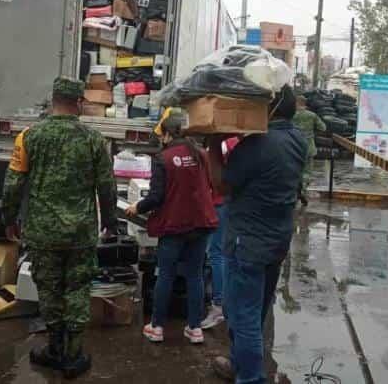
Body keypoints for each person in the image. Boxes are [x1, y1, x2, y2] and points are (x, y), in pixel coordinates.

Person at [3, 77, 117, 378]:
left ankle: (54, 350)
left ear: (53, 100)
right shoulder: (93, 139)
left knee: (50, 290)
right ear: (79, 103)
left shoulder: (29, 136)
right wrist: (110, 222)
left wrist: (9, 219)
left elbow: (13, 183)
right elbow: (107, 186)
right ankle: (74, 354)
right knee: (77, 289)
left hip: (43, 231)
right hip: (80, 232)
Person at [207, 84, 307, 383]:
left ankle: (250, 377)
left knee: (243, 316)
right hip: (277, 239)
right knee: (257, 309)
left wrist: (214, 144)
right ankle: (240, 363)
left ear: (272, 108)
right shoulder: (297, 140)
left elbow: (221, 185)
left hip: (248, 242)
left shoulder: (257, 146)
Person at [125, 113, 218, 344]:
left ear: (167, 134)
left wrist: (137, 207)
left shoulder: (163, 158)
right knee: (195, 275)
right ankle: (195, 329)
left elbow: (156, 197)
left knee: (165, 274)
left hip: (174, 224)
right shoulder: (202, 155)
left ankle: (157, 327)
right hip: (200, 224)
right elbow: (209, 185)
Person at [201, 136, 240, 330]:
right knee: (227, 252)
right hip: (232, 204)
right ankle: (225, 299)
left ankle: (218, 305)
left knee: (216, 254)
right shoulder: (237, 142)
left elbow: (210, 179)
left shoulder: (219, 145)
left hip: (218, 204)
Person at [292, 95, 326, 206]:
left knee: (293, 170)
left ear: (296, 103)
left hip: (293, 147)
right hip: (308, 148)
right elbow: (323, 128)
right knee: (307, 172)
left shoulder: (291, 115)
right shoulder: (312, 115)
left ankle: (293, 191)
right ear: (305, 104)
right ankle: (302, 191)